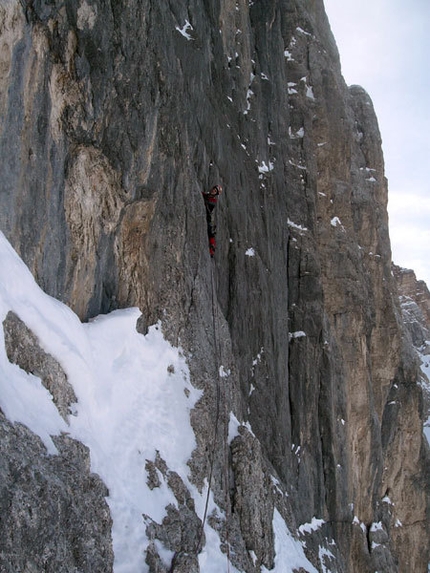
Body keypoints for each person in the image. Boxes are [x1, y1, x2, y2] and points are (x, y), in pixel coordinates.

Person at [202, 185, 222, 257]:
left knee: (210, 232)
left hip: (208, 218)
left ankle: (212, 249)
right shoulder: (207, 195)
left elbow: (209, 205)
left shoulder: (213, 201)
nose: (214, 191)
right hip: (206, 216)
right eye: (214, 189)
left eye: (215, 191)